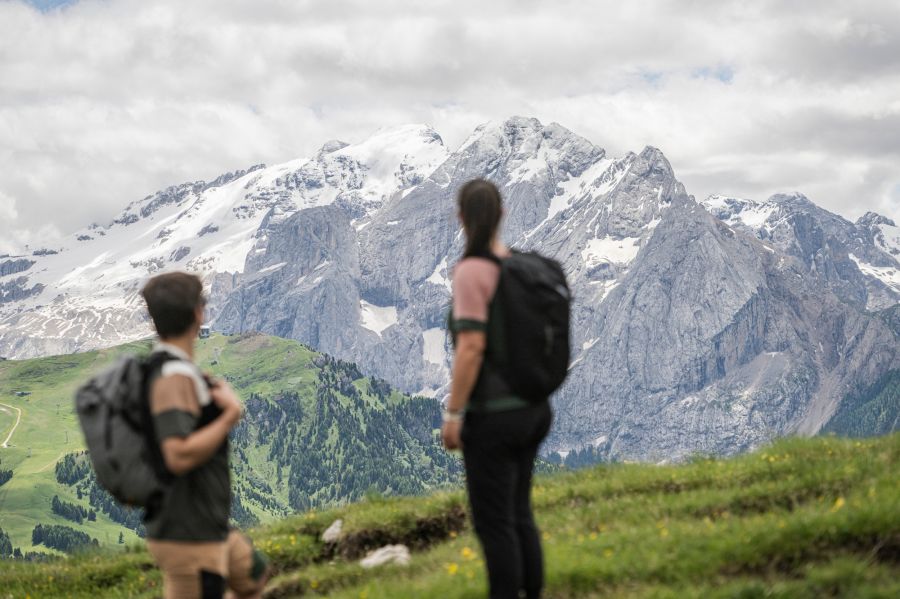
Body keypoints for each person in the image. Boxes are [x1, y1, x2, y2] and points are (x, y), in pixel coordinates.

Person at [443, 179, 553, 599]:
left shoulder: (472, 270)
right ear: (503, 213)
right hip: (534, 409)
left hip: (495, 416)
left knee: (494, 524)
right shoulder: (523, 267)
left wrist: (454, 415)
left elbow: (471, 347)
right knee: (520, 512)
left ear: (462, 219)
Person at [140, 272, 269, 599]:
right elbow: (177, 453)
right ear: (199, 312)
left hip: (207, 525)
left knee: (255, 575)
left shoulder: (175, 370)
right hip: (189, 535)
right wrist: (229, 416)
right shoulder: (172, 376)